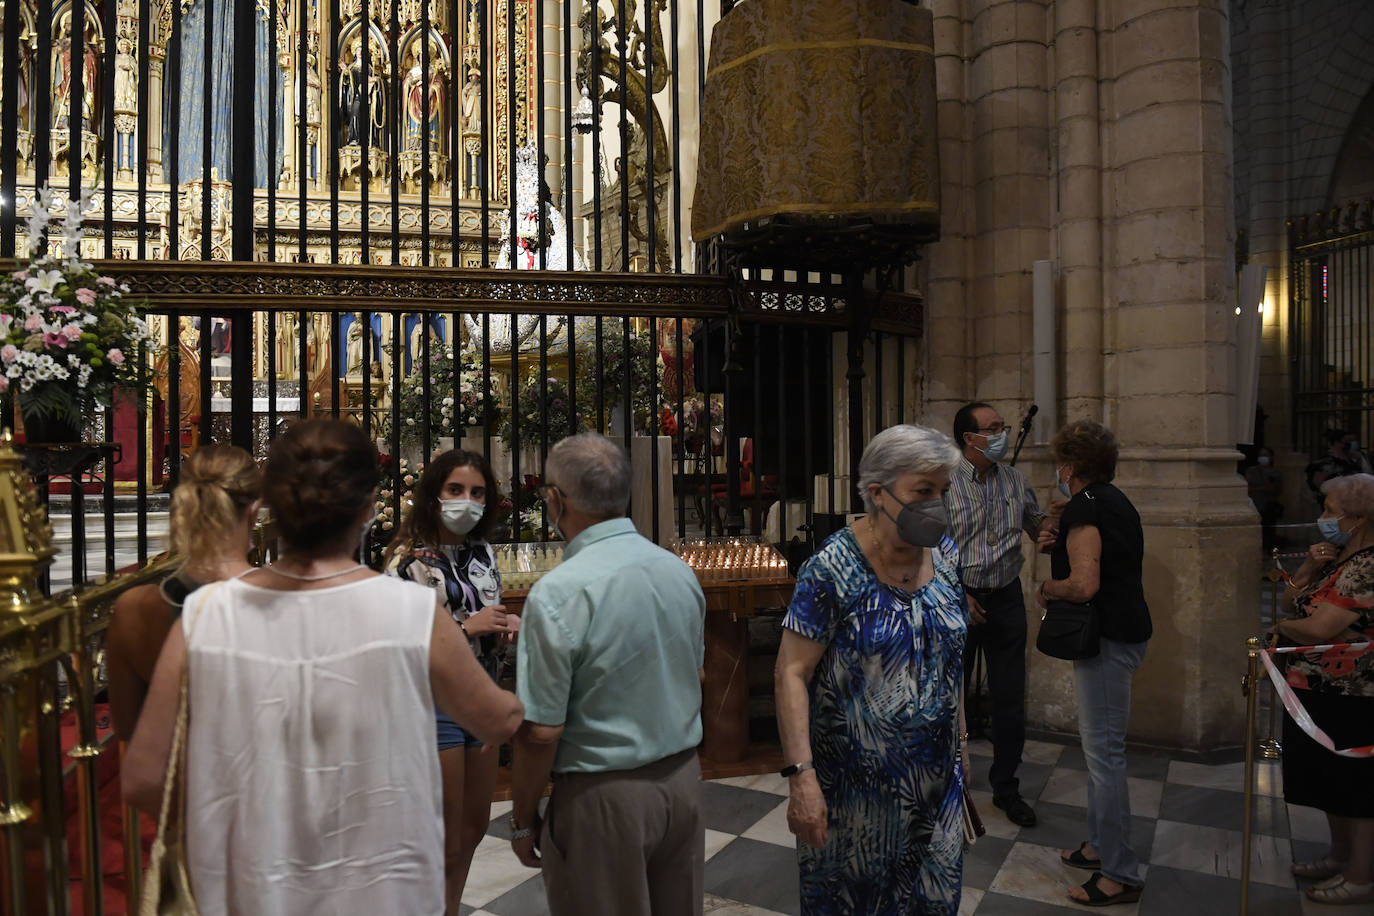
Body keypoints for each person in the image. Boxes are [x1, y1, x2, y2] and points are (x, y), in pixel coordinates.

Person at [122, 419, 524, 915]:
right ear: (367, 506)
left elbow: (143, 777)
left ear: (263, 507)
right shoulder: (411, 612)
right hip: (378, 888)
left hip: (255, 886)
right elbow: (497, 719)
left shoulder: (208, 613)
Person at [507, 433, 705, 916]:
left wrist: (521, 819)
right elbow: (695, 674)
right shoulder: (677, 571)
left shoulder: (559, 593)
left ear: (555, 500)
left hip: (604, 798)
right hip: (682, 784)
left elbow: (541, 732)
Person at [775, 423, 967, 913]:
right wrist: (802, 778)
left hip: (935, 788)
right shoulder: (832, 569)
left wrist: (960, 741)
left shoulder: (944, 557)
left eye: (943, 491)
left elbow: (949, 654)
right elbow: (791, 673)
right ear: (878, 493)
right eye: (923, 491)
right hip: (853, 798)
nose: (937, 504)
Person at [385, 449, 517, 914]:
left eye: (477, 492)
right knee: (440, 835)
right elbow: (398, 647)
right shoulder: (408, 562)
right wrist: (468, 629)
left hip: (481, 692)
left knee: (473, 827)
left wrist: (503, 628)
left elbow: (486, 617)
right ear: (434, 496)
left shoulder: (481, 553)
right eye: (456, 490)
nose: (468, 501)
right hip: (433, 701)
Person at [1037, 418, 1152, 907]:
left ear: (1068, 466)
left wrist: (1046, 588)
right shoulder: (1112, 500)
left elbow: (1084, 586)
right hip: (1122, 635)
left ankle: (1120, 873)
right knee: (1102, 755)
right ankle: (1099, 846)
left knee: (1104, 758)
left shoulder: (1086, 508)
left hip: (1105, 639)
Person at [945, 401, 1056, 827]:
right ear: (969, 439)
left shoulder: (1014, 480)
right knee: (948, 697)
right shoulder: (945, 484)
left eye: (1003, 427)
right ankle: (947, 785)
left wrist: (1051, 525)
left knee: (1010, 697)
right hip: (960, 596)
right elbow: (926, 548)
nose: (1002, 433)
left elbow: (1034, 523)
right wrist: (955, 593)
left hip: (1005, 597)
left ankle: (1006, 787)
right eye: (992, 428)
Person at [107, 445, 261, 741]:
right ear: (254, 512)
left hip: (181, 780)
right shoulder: (280, 601)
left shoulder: (133, 609)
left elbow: (128, 728)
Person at [1274, 473, 1374, 906]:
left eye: (1331, 511)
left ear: (1359, 516)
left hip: (1353, 693)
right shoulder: (1338, 556)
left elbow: (1320, 627)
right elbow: (1289, 599)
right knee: (1329, 781)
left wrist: (1281, 630)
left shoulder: (1369, 564)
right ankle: (1339, 855)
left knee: (1357, 787)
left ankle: (1361, 874)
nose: (1323, 519)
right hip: (1316, 688)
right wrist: (1310, 567)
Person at [1246, 446, 1284, 556]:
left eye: (1266, 455)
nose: (1263, 458)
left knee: (1269, 531)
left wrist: (1259, 488)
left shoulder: (1276, 472)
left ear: (1271, 457)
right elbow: (1247, 488)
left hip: (1269, 506)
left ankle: (1270, 551)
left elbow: (1277, 489)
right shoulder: (1252, 471)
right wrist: (1264, 488)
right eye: (1261, 455)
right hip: (1255, 506)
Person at [1306, 429, 1366, 497]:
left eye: (1353, 441)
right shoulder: (1327, 462)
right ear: (1337, 442)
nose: (1351, 443)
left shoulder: (1352, 460)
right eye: (1348, 440)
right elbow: (1318, 484)